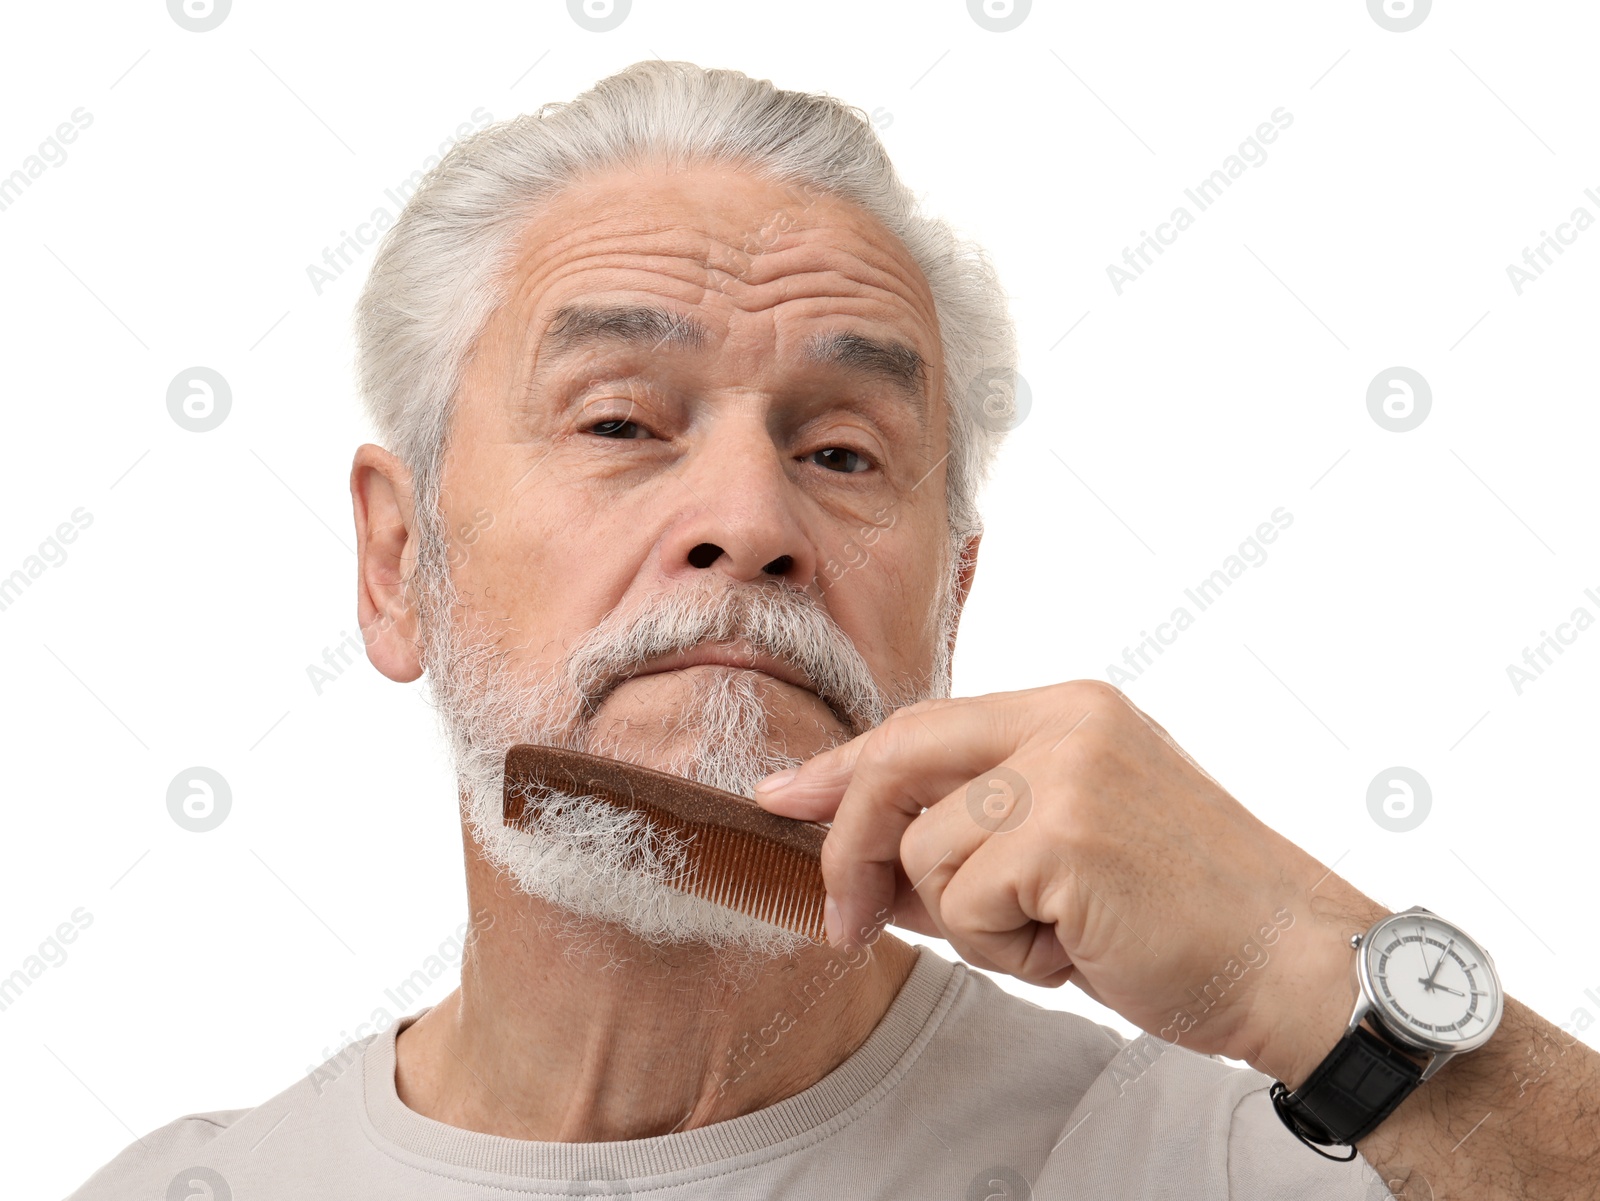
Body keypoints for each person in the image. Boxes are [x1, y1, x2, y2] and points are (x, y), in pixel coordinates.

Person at [66, 60, 1596, 1200]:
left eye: (846, 452)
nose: (753, 514)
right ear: (401, 565)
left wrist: (1303, 961)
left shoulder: (1248, 1167)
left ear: (952, 595)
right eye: (620, 419)